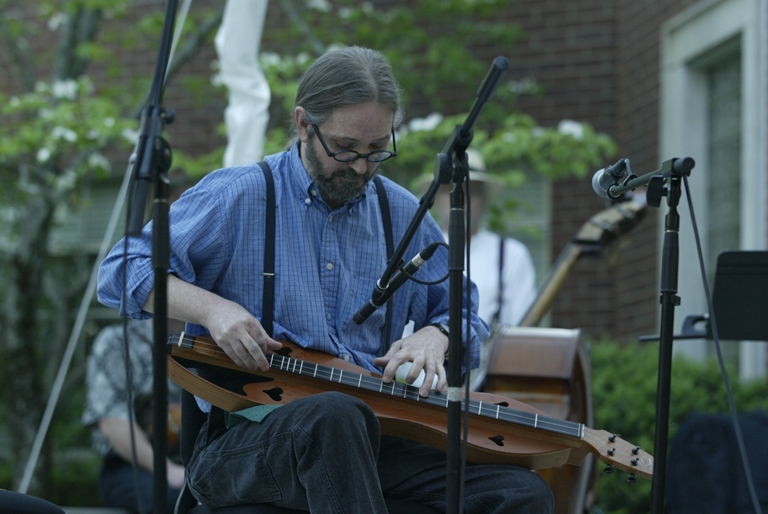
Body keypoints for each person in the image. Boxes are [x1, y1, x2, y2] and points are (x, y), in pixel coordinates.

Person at [97, 46, 554, 513]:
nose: (361, 166)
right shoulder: (240, 195)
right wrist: (213, 310)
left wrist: (437, 337)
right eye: (345, 148)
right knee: (334, 415)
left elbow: (461, 310)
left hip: (372, 436)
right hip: (244, 439)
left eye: (377, 149)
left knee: (520, 493)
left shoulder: (401, 213)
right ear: (303, 125)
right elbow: (122, 268)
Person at [430, 149, 538, 389]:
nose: (459, 198)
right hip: (423, 387)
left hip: (491, 389)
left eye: (470, 191)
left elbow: (522, 330)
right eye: (450, 190)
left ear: (484, 199)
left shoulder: (511, 254)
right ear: (437, 197)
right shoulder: (422, 250)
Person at [82, 320, 184, 514]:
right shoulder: (118, 340)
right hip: (131, 465)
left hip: (200, 462)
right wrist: (168, 471)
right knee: (167, 502)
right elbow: (112, 421)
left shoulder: (213, 339)